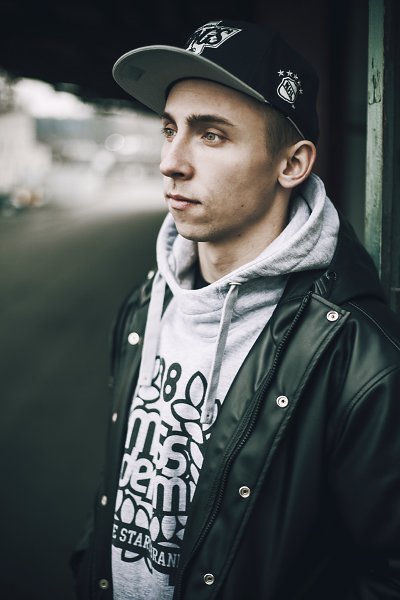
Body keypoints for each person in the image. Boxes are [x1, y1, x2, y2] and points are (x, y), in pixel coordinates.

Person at [72, 19, 400, 600]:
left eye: (211, 135)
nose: (171, 162)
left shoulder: (357, 355)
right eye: (169, 129)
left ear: (292, 165)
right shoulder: (147, 303)